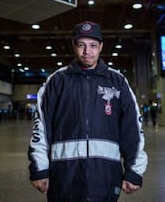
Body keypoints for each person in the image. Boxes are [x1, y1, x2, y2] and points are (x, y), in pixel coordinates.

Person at [28, 21, 148, 201]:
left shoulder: (118, 81)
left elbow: (132, 128)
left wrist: (134, 170)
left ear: (101, 46)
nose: (87, 51)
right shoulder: (57, 81)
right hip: (64, 177)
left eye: (92, 45)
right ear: (73, 47)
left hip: (106, 176)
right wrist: (40, 168)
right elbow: (41, 127)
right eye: (81, 45)